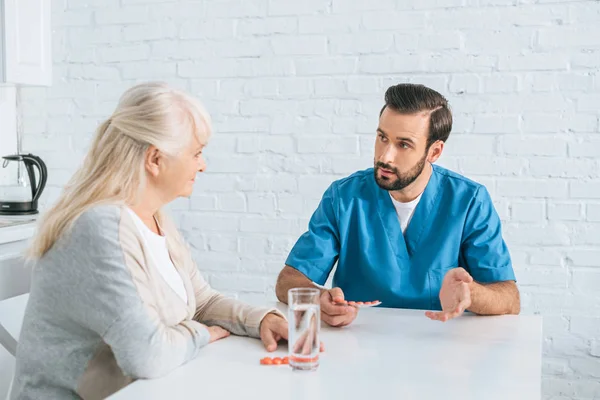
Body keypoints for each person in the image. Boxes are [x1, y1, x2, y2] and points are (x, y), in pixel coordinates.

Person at [10, 82, 288, 400]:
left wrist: (263, 318)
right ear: (155, 159)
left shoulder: (155, 220)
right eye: (196, 153)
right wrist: (200, 334)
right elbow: (148, 355)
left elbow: (202, 302)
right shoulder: (99, 227)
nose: (203, 164)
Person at [275, 83, 520, 327]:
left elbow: (510, 298)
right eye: (382, 137)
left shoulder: (469, 201)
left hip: (441, 346)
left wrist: (471, 294)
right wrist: (319, 299)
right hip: (357, 344)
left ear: (434, 152)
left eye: (404, 144)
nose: (385, 156)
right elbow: (288, 280)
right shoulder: (344, 197)